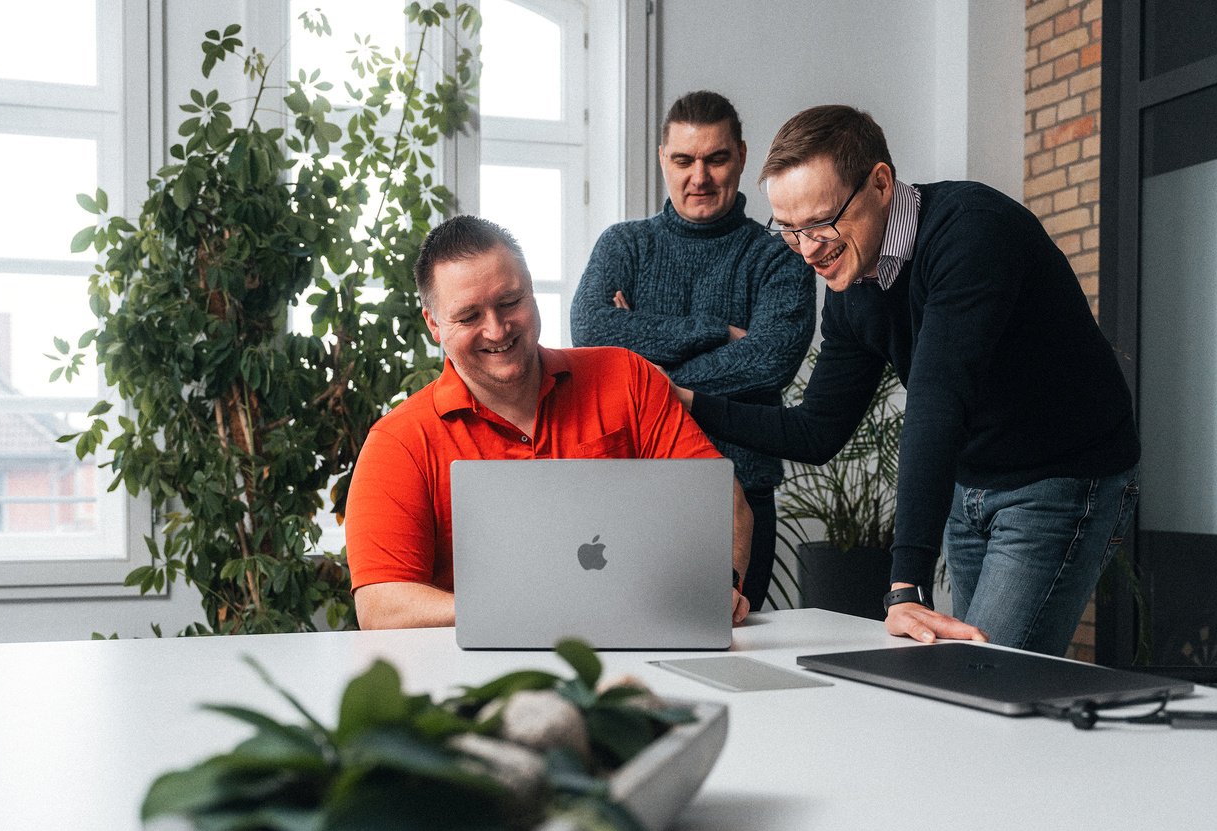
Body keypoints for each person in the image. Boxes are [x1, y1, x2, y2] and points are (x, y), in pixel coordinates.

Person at [676, 105, 1140, 656]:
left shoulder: (970, 232)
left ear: (880, 183)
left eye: (821, 223)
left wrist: (906, 586)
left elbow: (937, 403)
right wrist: (681, 399)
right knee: (979, 686)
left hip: (1061, 478)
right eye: (791, 231)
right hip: (971, 488)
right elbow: (816, 430)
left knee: (988, 676)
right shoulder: (851, 286)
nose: (808, 251)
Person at [346, 215, 753, 631]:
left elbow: (722, 499)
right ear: (434, 324)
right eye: (469, 316)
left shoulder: (627, 377)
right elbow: (381, 606)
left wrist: (720, 583)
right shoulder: (398, 441)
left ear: (532, 292)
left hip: (637, 647)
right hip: (480, 680)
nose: (497, 329)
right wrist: (529, 610)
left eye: (509, 302)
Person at [571, 90, 814, 612]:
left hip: (740, 490)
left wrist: (637, 346)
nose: (698, 177)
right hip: (632, 488)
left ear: (743, 158)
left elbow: (771, 359)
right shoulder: (624, 245)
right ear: (663, 159)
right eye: (683, 160)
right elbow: (590, 330)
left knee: (727, 646)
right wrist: (721, 332)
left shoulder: (778, 254)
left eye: (716, 158)